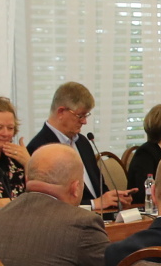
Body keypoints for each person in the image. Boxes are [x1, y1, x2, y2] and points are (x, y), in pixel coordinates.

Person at [26, 82, 127, 212]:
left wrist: (114, 198)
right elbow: (47, 203)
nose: (84, 121)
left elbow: (99, 188)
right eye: (80, 115)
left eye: (86, 115)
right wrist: (93, 204)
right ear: (61, 112)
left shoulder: (83, 142)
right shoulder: (40, 149)